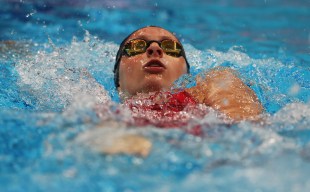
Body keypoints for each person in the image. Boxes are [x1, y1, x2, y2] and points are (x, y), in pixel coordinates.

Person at [95, 26, 263, 156]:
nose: (154, 49)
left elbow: (246, 131)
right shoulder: (102, 111)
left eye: (171, 47)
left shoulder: (214, 82)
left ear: (186, 74)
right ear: (118, 81)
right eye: (136, 46)